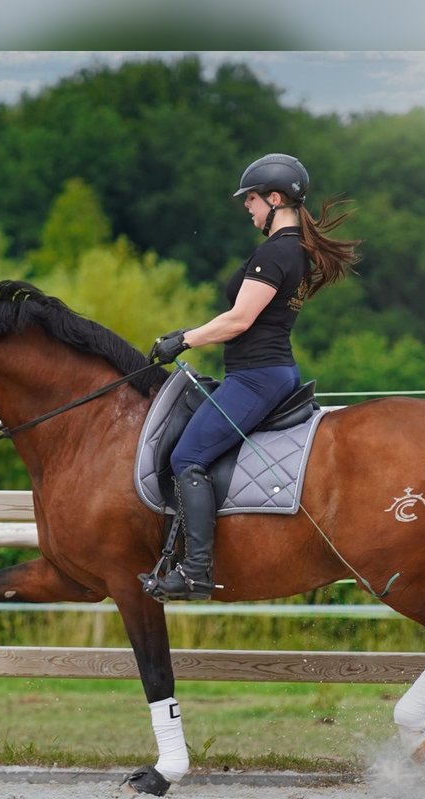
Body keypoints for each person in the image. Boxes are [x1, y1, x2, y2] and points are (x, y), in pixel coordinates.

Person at [145, 152, 361, 601]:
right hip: (267, 373)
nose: (247, 207)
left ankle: (196, 573)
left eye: (252, 199)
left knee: (188, 458)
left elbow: (239, 320)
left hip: (256, 378)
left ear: (275, 199)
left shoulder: (275, 253)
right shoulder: (294, 252)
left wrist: (182, 340)